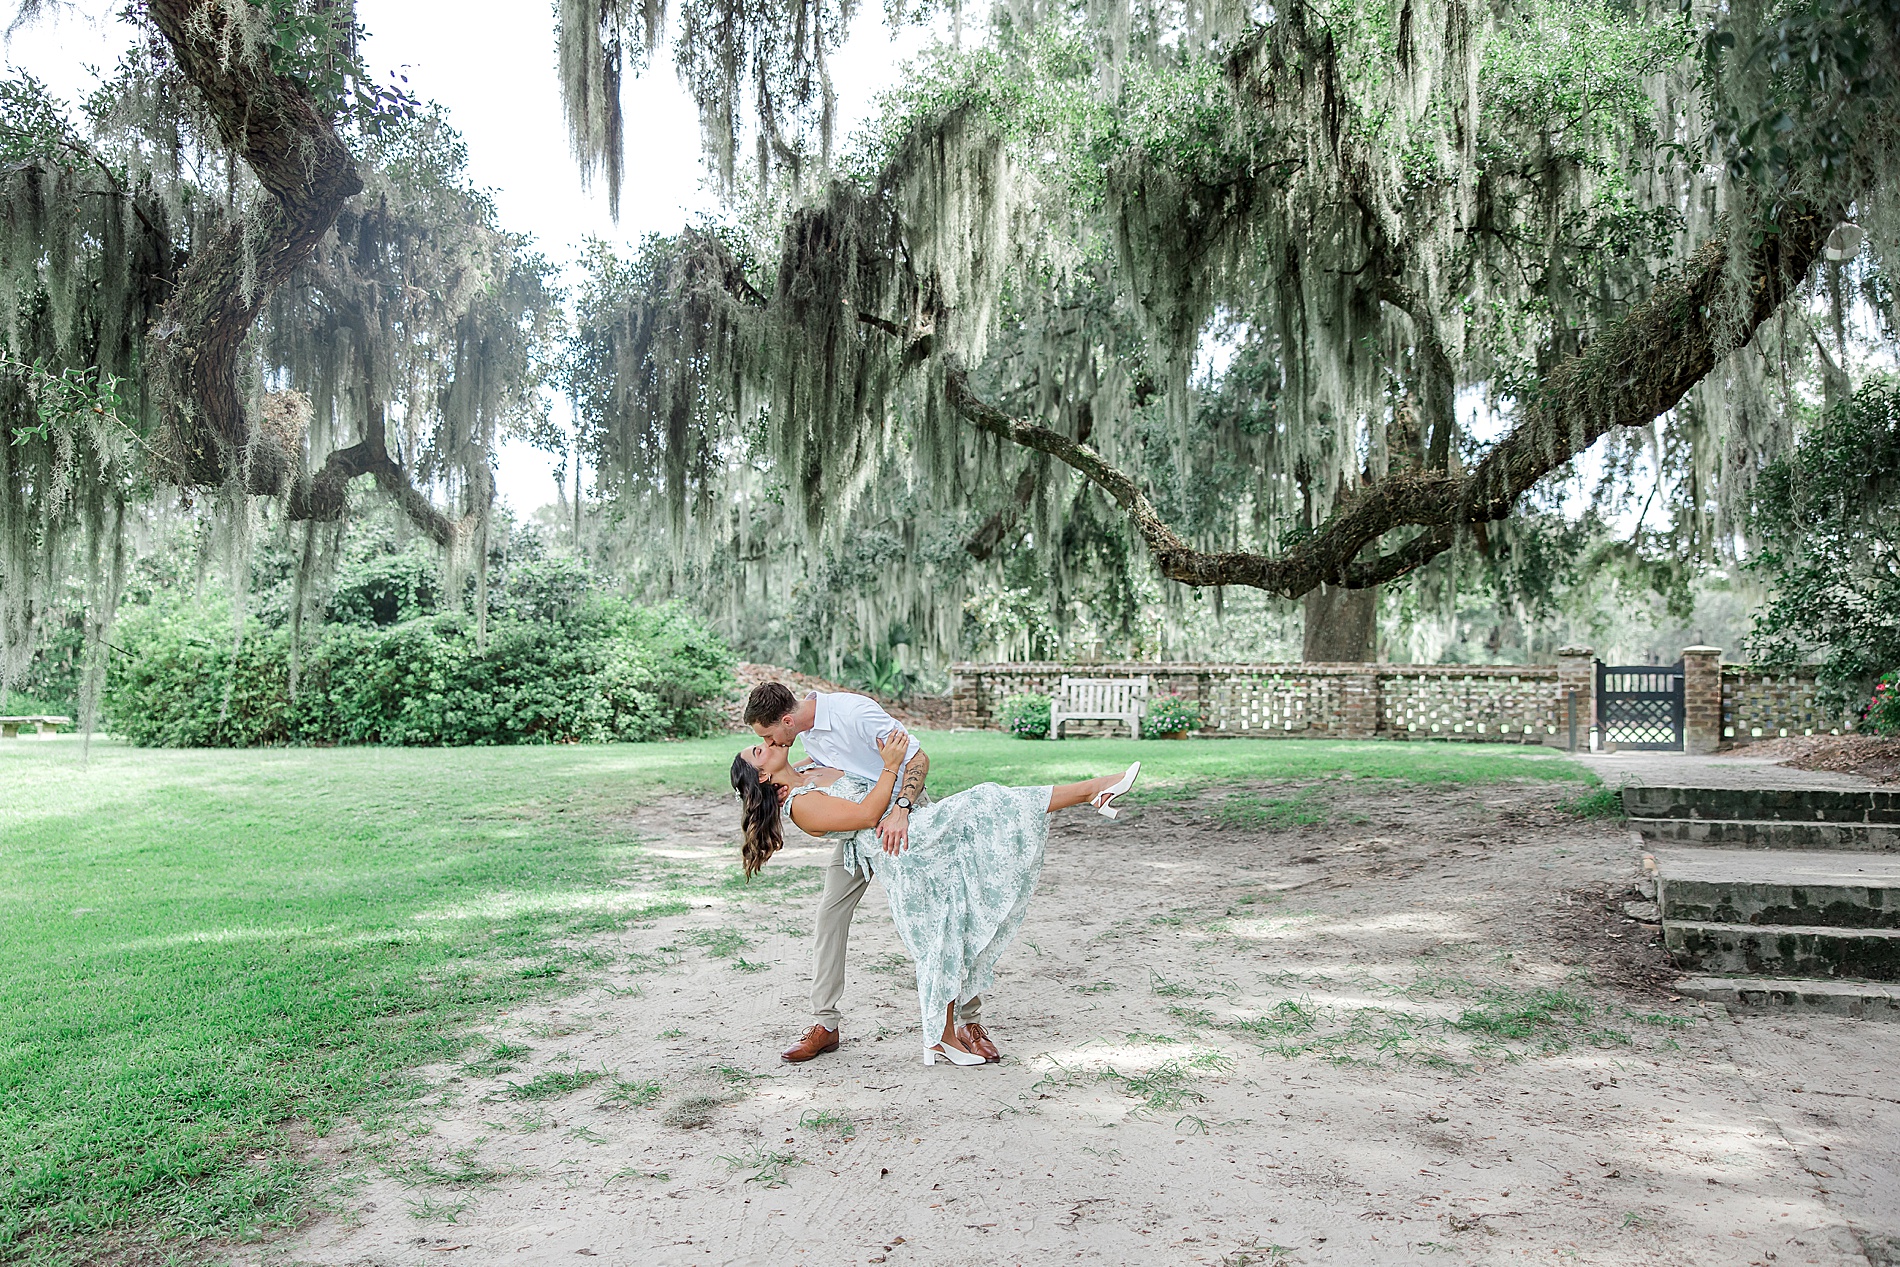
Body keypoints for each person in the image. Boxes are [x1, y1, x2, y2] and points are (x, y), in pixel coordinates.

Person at [731, 726, 1140, 1065]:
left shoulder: (810, 772)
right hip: (910, 851)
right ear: (763, 777)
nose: (766, 744)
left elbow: (836, 756)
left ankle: (949, 1034)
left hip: (921, 833)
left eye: (764, 738)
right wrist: (891, 766)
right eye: (758, 749)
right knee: (986, 803)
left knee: (958, 907)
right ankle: (1092, 790)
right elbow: (869, 815)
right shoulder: (802, 808)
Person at [743, 682, 971, 1061]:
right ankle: (825, 1024)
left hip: (898, 822)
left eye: (768, 736)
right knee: (829, 917)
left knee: (942, 914)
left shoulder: (855, 713)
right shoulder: (804, 735)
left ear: (785, 720)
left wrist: (901, 809)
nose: (771, 744)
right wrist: (786, 782)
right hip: (855, 833)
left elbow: (918, 760)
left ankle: (969, 1022)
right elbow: (835, 774)